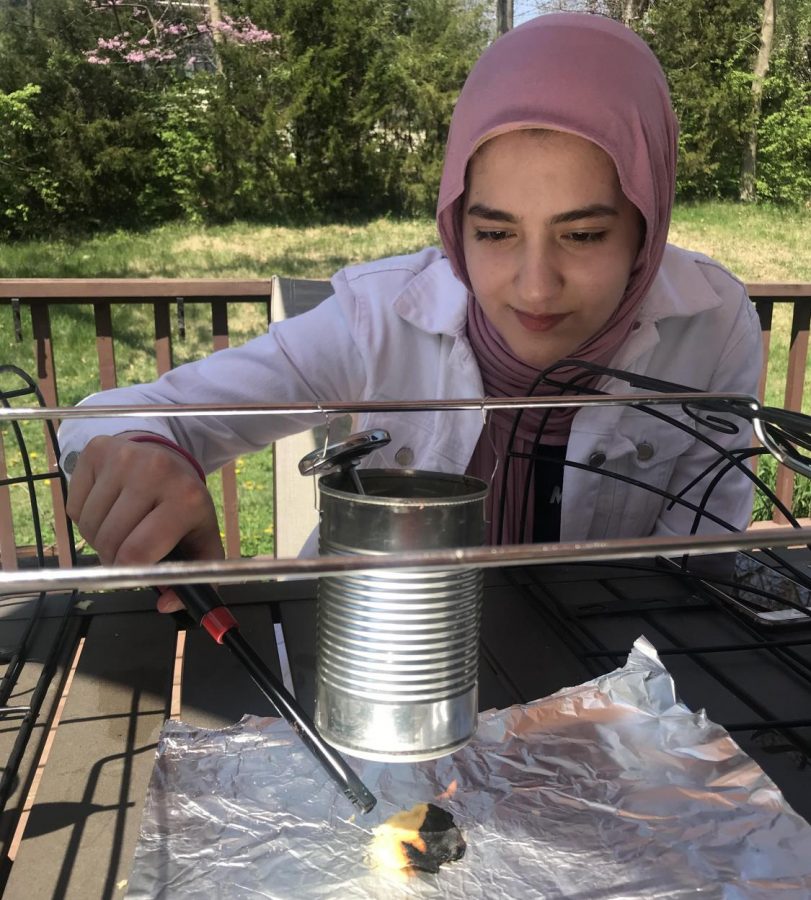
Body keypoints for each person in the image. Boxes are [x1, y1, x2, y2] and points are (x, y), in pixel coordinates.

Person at [58, 13, 762, 611]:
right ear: (455, 222)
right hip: (374, 668)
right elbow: (135, 413)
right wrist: (143, 456)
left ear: (648, 223)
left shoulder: (713, 323)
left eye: (582, 235)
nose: (535, 289)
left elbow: (700, 571)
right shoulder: (377, 317)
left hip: (616, 694)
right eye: (493, 233)